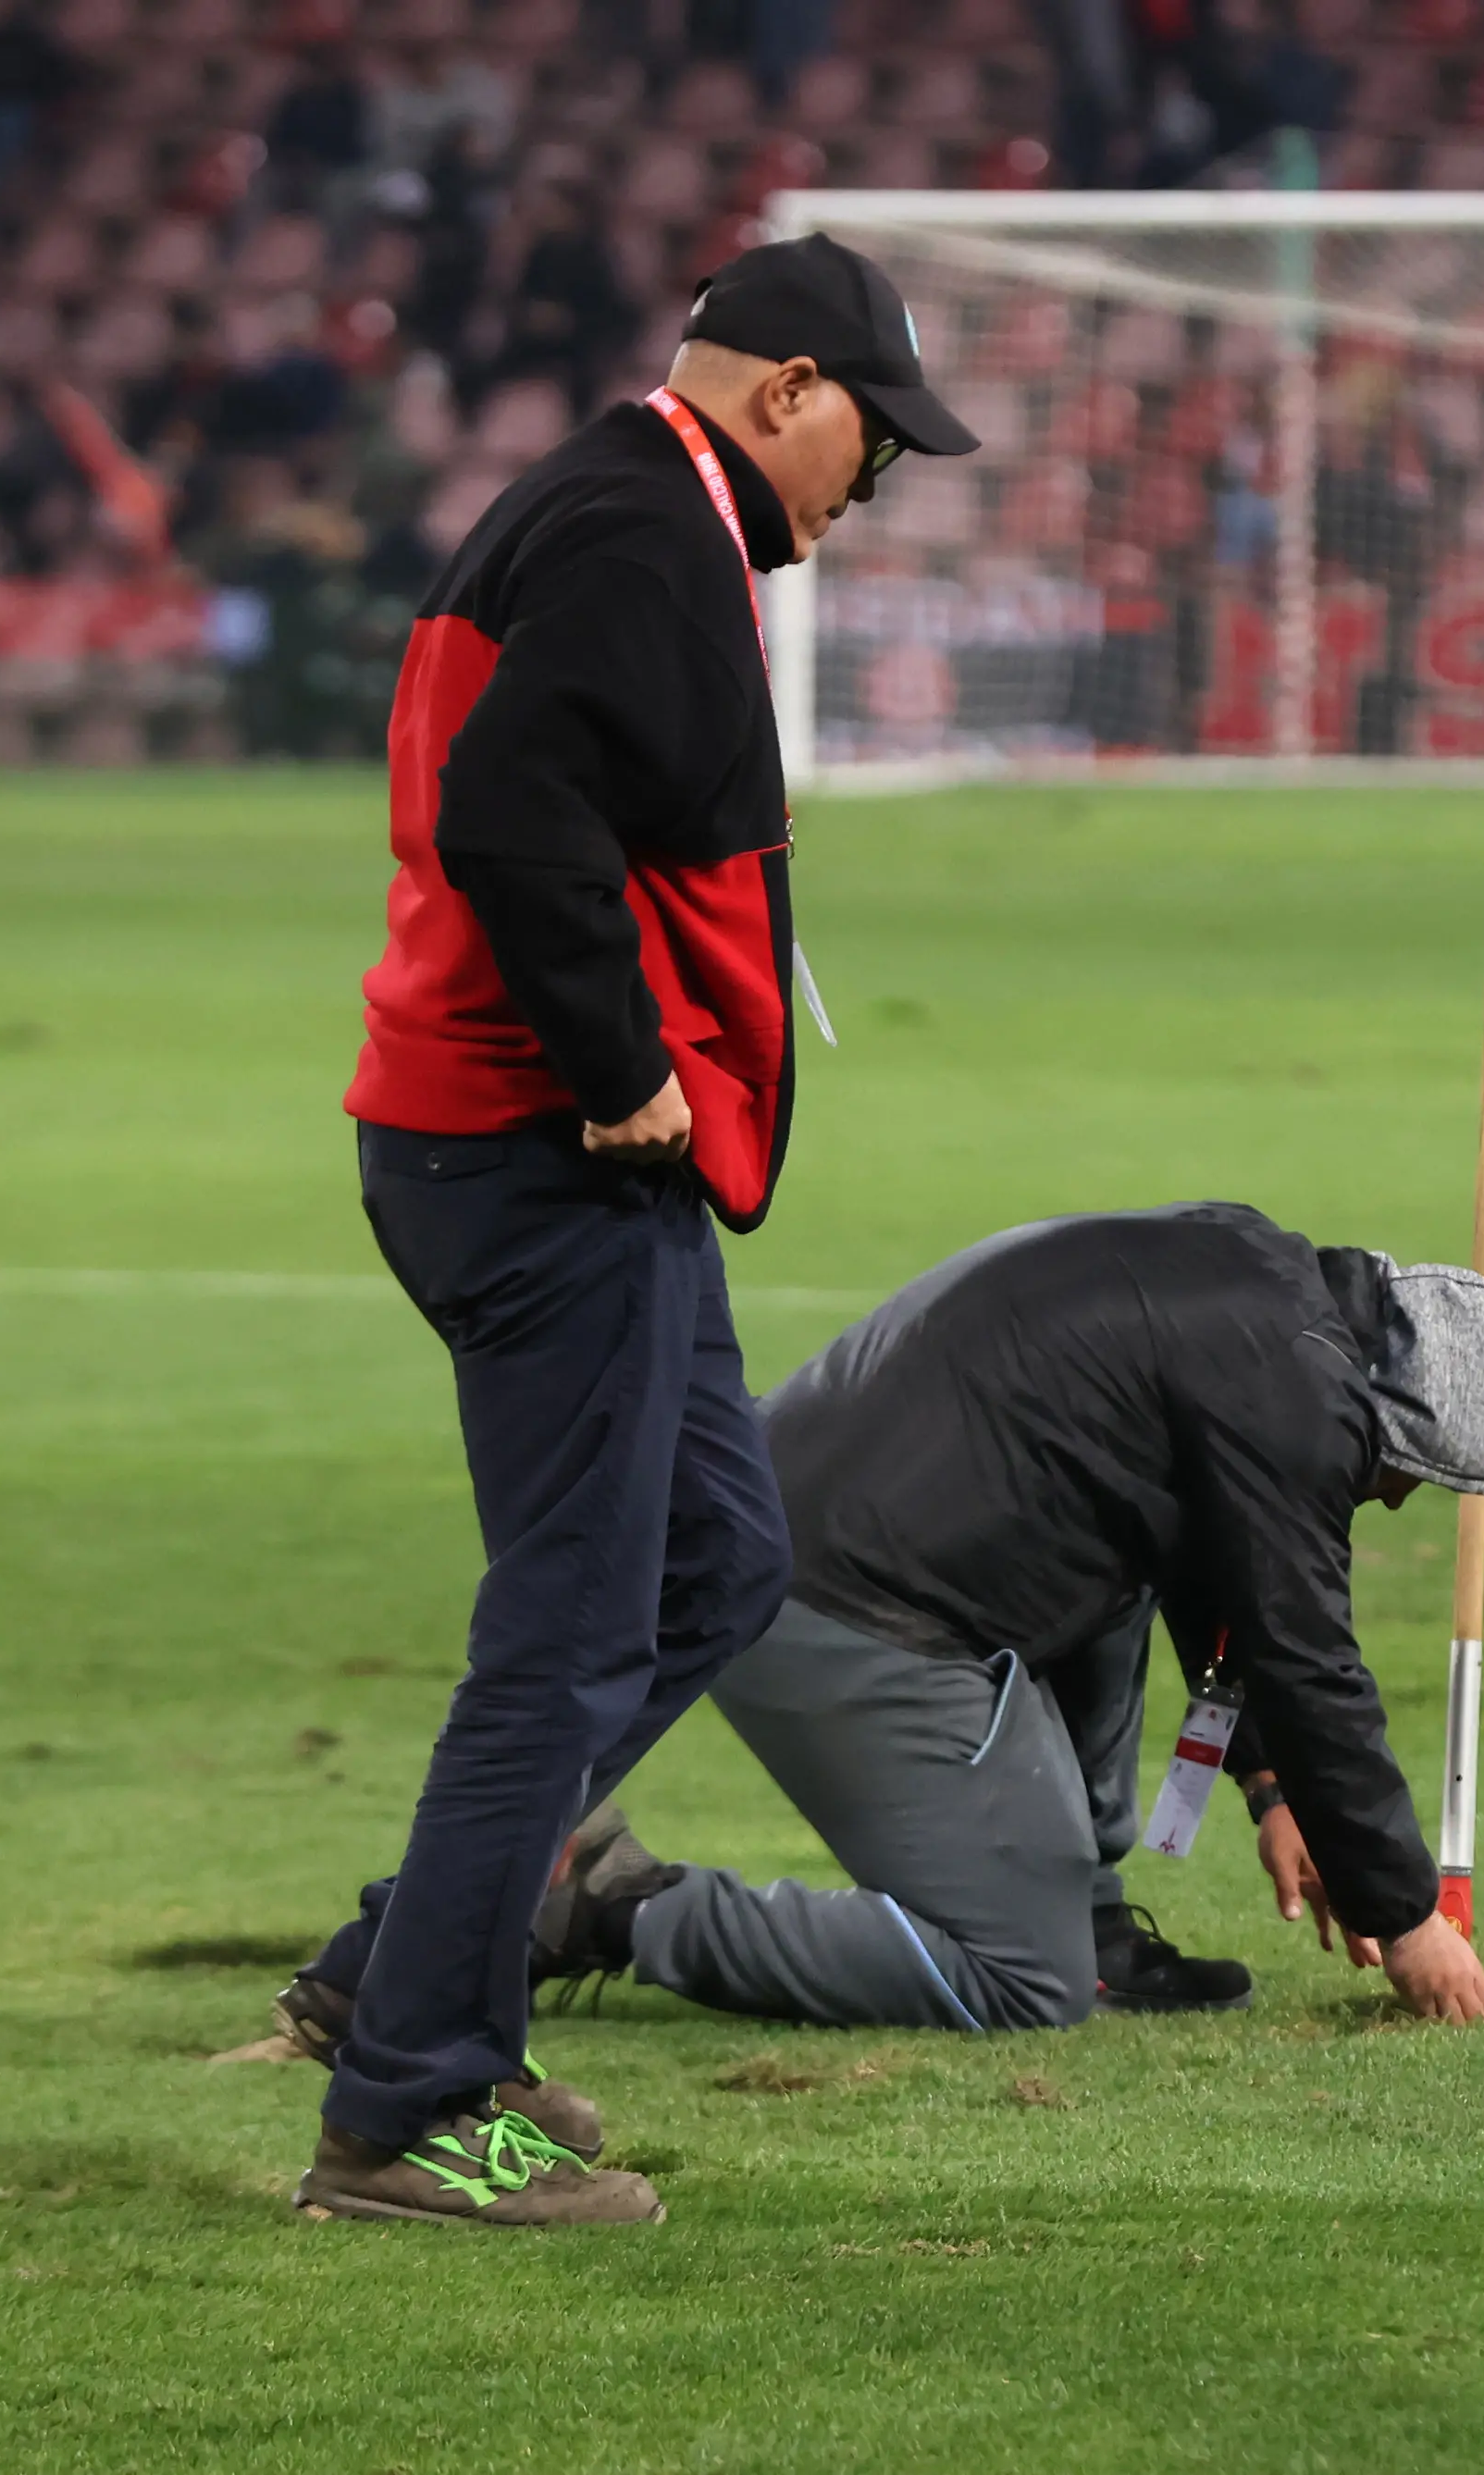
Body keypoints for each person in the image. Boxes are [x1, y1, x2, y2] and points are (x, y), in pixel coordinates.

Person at [299, 232, 980, 2232]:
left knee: (711, 1559)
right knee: (577, 1624)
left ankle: (419, 1981)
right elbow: (515, 805)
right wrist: (615, 1065)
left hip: (520, 1144)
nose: (877, 479)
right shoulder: (640, 532)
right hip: (536, 1149)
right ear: (779, 391)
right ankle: (403, 2104)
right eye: (871, 434)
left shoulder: (607, 502)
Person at [251, 1204, 1484, 2055]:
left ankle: (1089, 1919)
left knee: (1124, 1564)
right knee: (1018, 1981)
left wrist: (1267, 1784)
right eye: (1417, 1478)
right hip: (837, 1599)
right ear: (1392, 1415)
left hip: (809, 1528)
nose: (1400, 1499)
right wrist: (1406, 1915)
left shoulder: (1261, 1289)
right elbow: (1307, 1649)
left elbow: (1213, 1551)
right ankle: (604, 1905)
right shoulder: (1295, 1398)